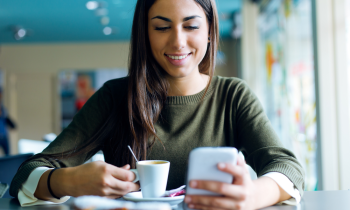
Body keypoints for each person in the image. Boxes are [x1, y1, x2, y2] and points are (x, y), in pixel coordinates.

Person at [10, 0, 304, 209]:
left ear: (210, 31)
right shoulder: (114, 97)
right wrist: (69, 181)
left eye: (191, 26)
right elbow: (26, 173)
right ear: (145, 35)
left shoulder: (233, 96)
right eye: (162, 27)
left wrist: (251, 195)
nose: (178, 41)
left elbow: (286, 166)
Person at [0, 88, 16, 156]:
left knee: (7, 156)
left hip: (4, 136)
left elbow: (7, 119)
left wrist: (12, 125)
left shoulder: (3, 108)